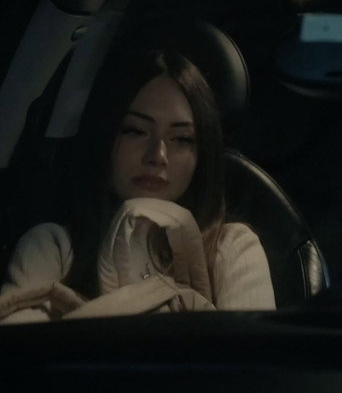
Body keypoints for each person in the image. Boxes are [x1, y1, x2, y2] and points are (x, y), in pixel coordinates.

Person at [0, 48, 275, 323]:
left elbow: (250, 349)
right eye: (136, 131)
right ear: (105, 136)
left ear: (201, 155)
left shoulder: (231, 247)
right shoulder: (52, 246)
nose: (157, 156)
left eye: (181, 139)